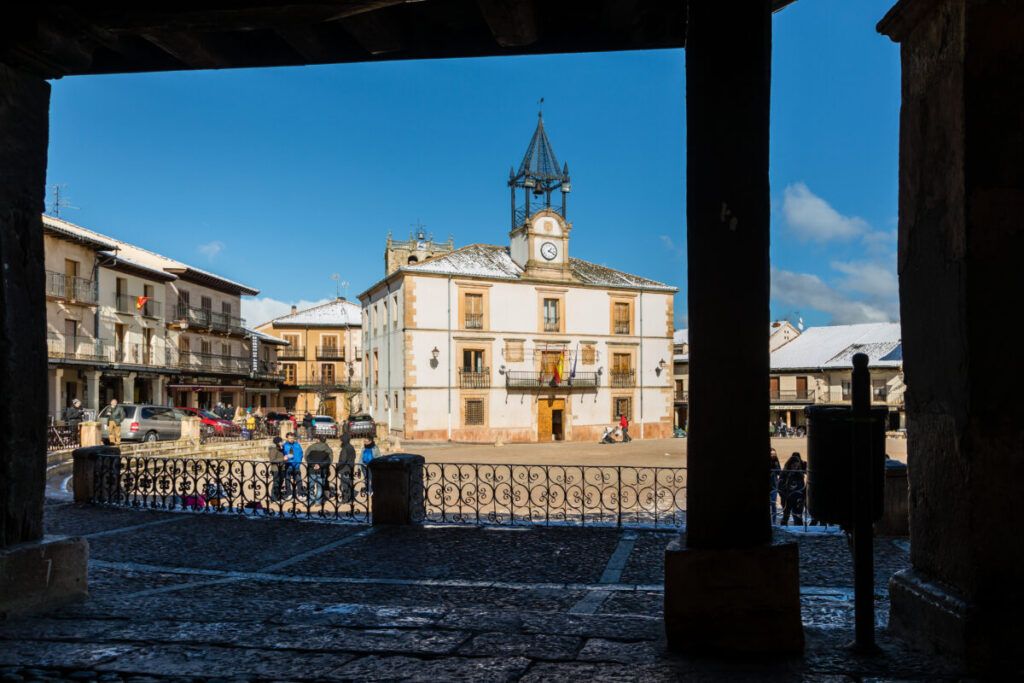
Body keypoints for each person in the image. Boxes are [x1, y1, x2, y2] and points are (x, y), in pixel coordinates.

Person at [779, 451, 807, 526]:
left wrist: (802, 496)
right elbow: (780, 486)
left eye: (797, 466)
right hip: (787, 498)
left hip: (798, 499)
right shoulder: (784, 473)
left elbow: (802, 486)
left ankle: (799, 532)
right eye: (794, 466)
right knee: (786, 517)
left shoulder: (799, 474)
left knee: (798, 518)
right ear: (790, 464)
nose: (795, 467)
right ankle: (783, 530)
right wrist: (784, 495)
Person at [305, 435, 333, 506]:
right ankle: (318, 501)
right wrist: (320, 465)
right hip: (322, 470)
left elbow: (306, 457)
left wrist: (313, 465)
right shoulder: (328, 449)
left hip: (311, 469)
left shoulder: (311, 447)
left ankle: (310, 500)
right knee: (320, 487)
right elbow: (329, 461)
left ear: (318, 440)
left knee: (310, 486)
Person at [280, 432, 304, 500]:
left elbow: (301, 453)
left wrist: (299, 462)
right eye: (290, 438)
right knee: (287, 480)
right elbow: (282, 455)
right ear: (287, 438)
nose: (291, 439)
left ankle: (300, 494)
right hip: (288, 465)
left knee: (298, 480)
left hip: (296, 465)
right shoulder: (284, 446)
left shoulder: (297, 445)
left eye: (292, 438)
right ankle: (289, 494)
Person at [337, 433, 357, 504]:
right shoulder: (351, 447)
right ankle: (350, 499)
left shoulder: (345, 448)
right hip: (350, 468)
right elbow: (354, 456)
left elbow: (343, 460)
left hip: (345, 469)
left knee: (345, 484)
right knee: (349, 484)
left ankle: (345, 499)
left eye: (341, 440)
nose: (341, 441)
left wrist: (337, 467)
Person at [769, 448, 782, 524]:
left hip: (774, 486)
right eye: (771, 454)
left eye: (774, 454)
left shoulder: (776, 461)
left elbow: (779, 473)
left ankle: (773, 522)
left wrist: (776, 465)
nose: (773, 456)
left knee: (773, 504)